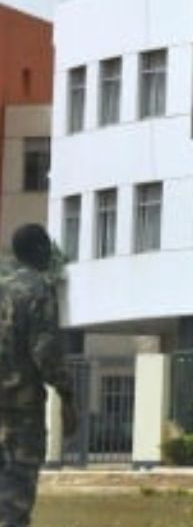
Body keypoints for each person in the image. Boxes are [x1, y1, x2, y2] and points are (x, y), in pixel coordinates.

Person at [0, 224, 77, 527]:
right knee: (15, 500)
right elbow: (46, 353)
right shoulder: (36, 289)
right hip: (20, 412)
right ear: (39, 250)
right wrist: (67, 397)